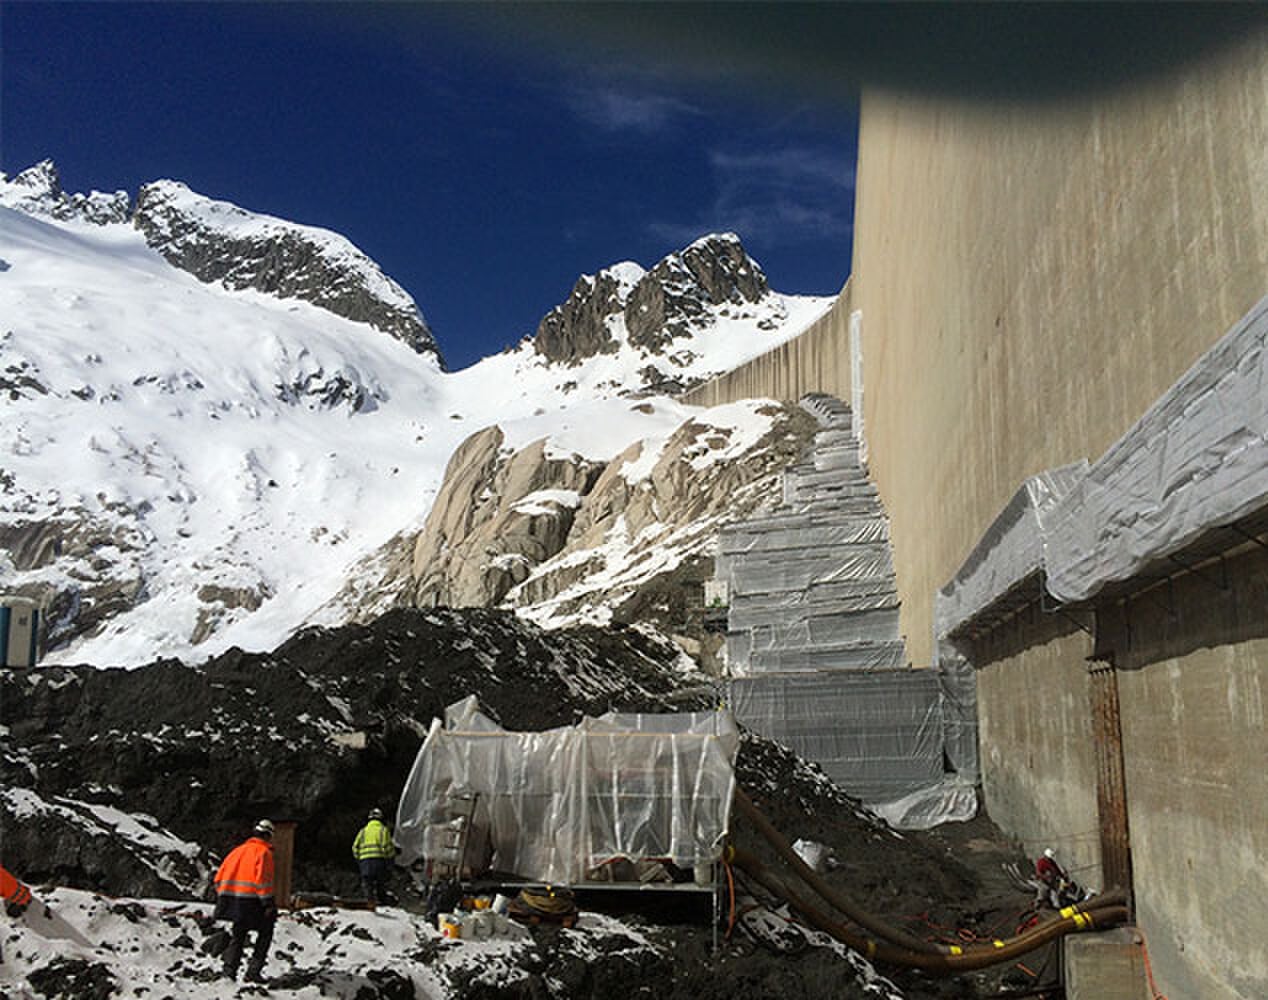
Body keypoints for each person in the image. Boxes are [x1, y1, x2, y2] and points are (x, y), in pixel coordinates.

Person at [213, 819, 277, 983]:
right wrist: (268, 903)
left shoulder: (237, 851)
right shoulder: (264, 853)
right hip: (253, 902)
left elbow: (218, 879)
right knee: (265, 933)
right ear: (268, 836)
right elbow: (263, 880)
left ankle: (229, 971)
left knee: (238, 936)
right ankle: (253, 972)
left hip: (234, 902)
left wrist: (225, 897)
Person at [352, 807, 396, 903]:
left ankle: (369, 901)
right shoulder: (383, 830)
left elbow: (355, 847)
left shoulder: (363, 831)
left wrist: (359, 859)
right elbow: (386, 846)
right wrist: (391, 857)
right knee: (380, 882)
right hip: (379, 860)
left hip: (365, 861)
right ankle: (382, 900)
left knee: (367, 883)